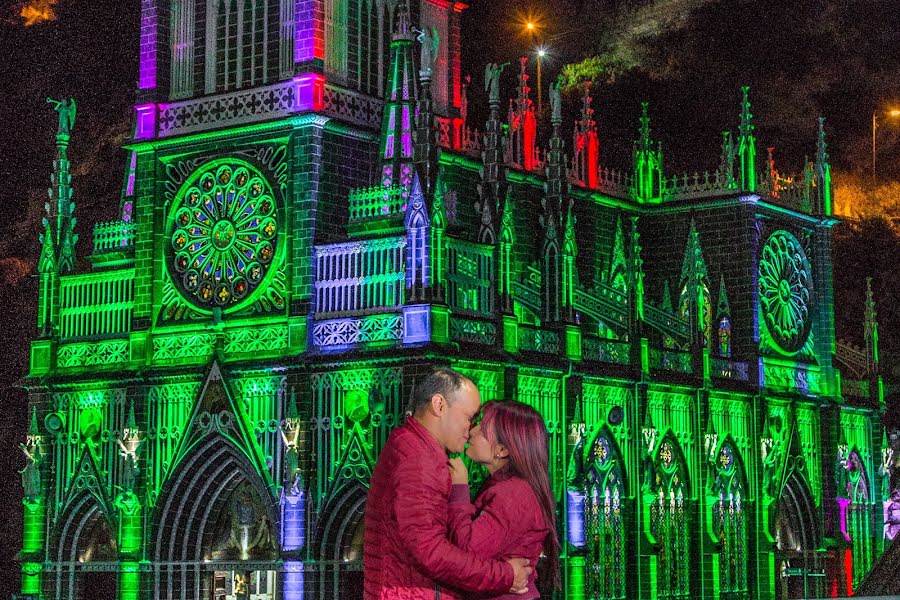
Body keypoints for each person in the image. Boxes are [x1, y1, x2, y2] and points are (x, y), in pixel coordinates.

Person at [364, 369, 532, 599]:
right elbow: (429, 550)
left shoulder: (416, 448)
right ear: (439, 405)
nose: (471, 429)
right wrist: (504, 575)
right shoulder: (416, 457)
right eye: (469, 417)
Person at [447, 401, 560, 600]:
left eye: (482, 430)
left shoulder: (513, 494)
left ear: (502, 450)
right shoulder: (507, 486)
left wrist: (459, 488)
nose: (472, 432)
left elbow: (466, 551)